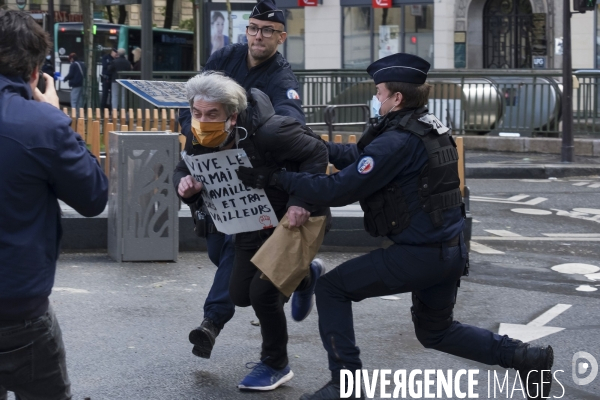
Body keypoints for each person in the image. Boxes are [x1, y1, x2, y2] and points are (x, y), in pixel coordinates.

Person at [237, 53, 554, 400]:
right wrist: (308, 142)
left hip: (418, 254)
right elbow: (362, 160)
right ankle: (527, 357)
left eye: (379, 91)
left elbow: (340, 189)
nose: (376, 98)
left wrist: (277, 177)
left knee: (331, 289)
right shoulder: (424, 126)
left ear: (396, 98)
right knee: (436, 331)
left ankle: (347, 384)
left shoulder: (397, 140)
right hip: (447, 250)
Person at [173, 71, 328, 391]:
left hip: (293, 217)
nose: (202, 121)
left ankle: (275, 364)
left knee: (263, 293)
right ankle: (307, 276)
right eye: (197, 113)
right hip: (248, 219)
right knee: (240, 293)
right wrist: (184, 185)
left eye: (212, 114)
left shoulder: (273, 132)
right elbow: (184, 167)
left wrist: (301, 201)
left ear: (232, 115)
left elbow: (317, 152)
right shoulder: (200, 135)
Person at [178, 0, 309, 365]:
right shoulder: (225, 56)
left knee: (236, 255)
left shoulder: (281, 76)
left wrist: (243, 124)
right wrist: (198, 125)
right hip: (215, 165)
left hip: (255, 177)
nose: (258, 36)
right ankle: (303, 276)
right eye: (253, 28)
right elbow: (194, 96)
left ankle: (212, 322)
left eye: (267, 30)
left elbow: (289, 121)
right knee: (219, 251)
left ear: (281, 37)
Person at [0, 10, 109, 400]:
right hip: (18, 310)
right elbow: (94, 196)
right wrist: (54, 113)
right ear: (35, 71)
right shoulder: (41, 124)